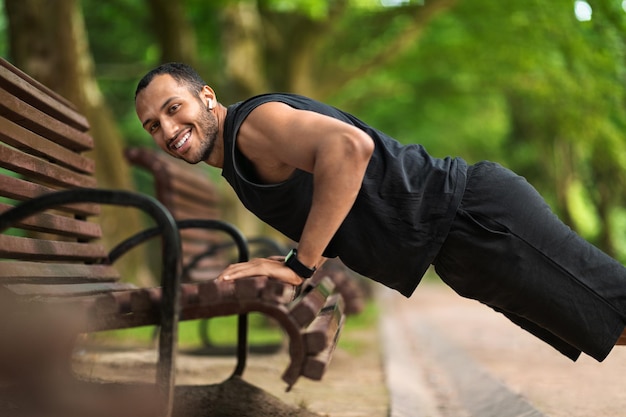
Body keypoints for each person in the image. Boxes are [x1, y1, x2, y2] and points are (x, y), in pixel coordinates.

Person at [135, 62, 626, 364]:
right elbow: (328, 196)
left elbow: (349, 148)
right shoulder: (241, 159)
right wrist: (297, 257)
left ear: (207, 96)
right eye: (153, 126)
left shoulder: (253, 126)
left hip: (475, 220)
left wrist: (300, 265)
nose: (168, 129)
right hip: (458, 245)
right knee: (606, 324)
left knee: (612, 309)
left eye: (174, 108)